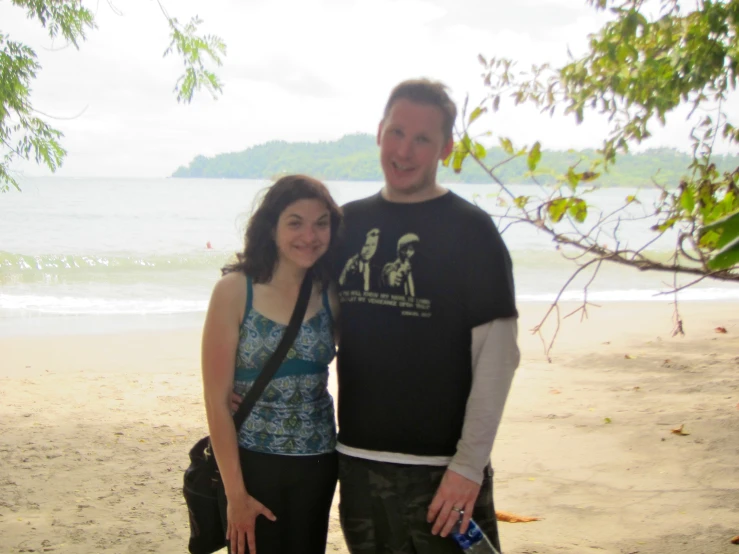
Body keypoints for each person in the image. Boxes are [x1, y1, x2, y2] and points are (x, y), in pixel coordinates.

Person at [335, 79, 520, 553]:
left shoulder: (472, 231)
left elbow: (497, 359)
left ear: (446, 147)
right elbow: (312, 323)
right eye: (397, 132)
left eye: (422, 139)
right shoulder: (346, 225)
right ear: (379, 132)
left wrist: (467, 467)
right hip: (357, 466)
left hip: (444, 475)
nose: (405, 150)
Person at [201, 174, 342, 554]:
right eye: (295, 222)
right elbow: (216, 402)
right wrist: (236, 495)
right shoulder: (235, 290)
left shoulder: (331, 291)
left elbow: (368, 364)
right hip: (251, 463)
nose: (309, 236)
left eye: (321, 224)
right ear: (272, 227)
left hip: (318, 461)